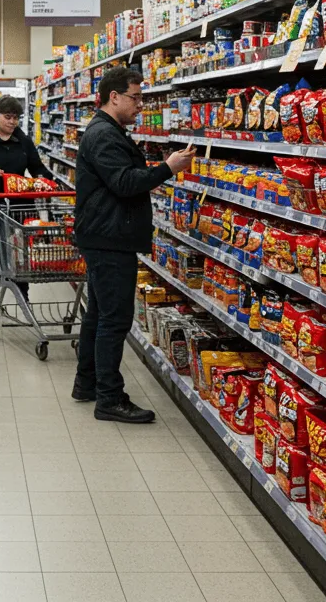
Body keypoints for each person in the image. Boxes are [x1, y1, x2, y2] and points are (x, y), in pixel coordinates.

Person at [73, 67, 194, 423]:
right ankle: (110, 398)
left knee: (98, 315)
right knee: (115, 321)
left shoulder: (108, 131)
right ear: (115, 97)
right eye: (136, 97)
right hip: (110, 239)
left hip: (105, 235)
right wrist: (167, 168)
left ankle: (87, 383)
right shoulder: (104, 135)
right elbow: (125, 183)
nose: (141, 104)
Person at [0, 95, 55, 318]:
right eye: (7, 117)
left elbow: (37, 167)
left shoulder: (22, 140)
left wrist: (44, 179)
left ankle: (23, 295)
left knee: (19, 251)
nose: (12, 122)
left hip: (18, 206)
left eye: (16, 118)